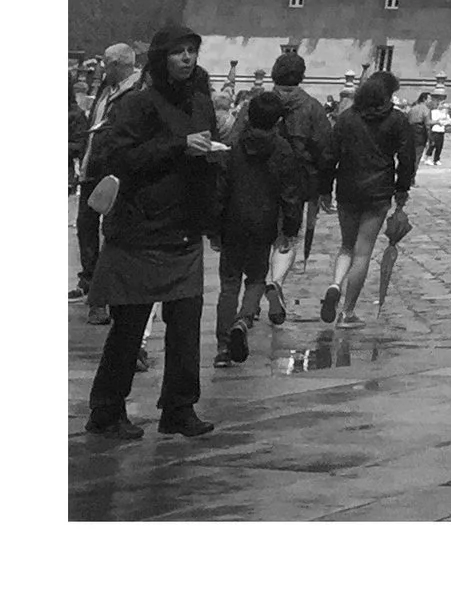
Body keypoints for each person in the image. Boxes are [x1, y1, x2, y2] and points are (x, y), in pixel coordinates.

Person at [83, 26, 225, 440]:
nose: (186, 58)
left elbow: (203, 151)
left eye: (192, 51)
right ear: (161, 58)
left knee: (186, 325)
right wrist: (179, 145)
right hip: (140, 230)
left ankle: (179, 408)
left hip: (183, 229)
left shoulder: (201, 103)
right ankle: (107, 410)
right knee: (129, 328)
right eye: (178, 52)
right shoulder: (138, 104)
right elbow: (118, 156)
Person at [212, 89, 308, 365]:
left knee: (228, 284)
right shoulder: (283, 150)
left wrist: (214, 227)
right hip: (264, 223)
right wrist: (290, 227)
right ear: (277, 120)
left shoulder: (234, 145)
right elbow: (290, 193)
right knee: (255, 278)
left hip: (233, 221)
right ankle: (243, 320)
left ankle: (223, 346)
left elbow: (221, 189)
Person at [321, 71, 419, 326]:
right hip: (378, 191)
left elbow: (330, 155)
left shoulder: (346, 119)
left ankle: (335, 284)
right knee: (363, 253)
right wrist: (402, 188)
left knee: (346, 246)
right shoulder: (397, 120)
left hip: (347, 188)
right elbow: (406, 157)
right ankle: (348, 312)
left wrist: (324, 189)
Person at [261, 48, 336, 325]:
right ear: (301, 76)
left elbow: (237, 138)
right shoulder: (313, 107)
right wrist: (325, 187)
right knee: (288, 235)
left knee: (260, 236)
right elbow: (326, 150)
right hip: (299, 181)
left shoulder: (258, 102)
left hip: (260, 179)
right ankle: (276, 281)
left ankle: (253, 295)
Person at [71, 42, 144, 314]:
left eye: (105, 63)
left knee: (112, 230)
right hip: (92, 167)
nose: (101, 67)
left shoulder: (135, 91)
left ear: (118, 65)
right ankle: (89, 279)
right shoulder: (106, 87)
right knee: (85, 224)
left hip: (113, 170)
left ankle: (106, 291)